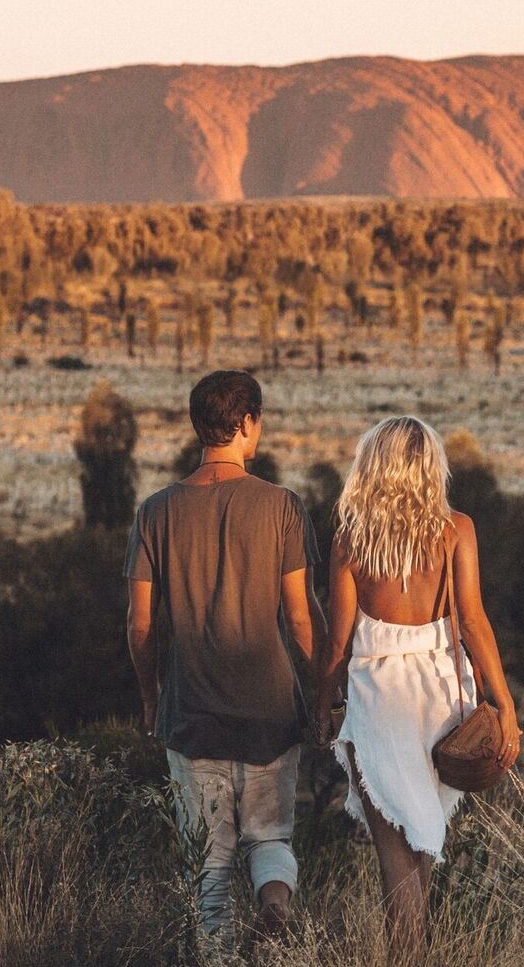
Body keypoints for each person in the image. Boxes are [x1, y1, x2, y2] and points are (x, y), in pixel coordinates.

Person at [124, 369, 326, 951]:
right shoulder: (282, 507)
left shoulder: (154, 514)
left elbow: (139, 625)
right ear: (247, 424)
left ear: (198, 427)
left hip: (191, 716)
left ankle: (219, 958)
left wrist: (149, 696)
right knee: (270, 839)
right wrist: (323, 697)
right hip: (270, 714)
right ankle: (275, 906)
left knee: (209, 866)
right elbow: (301, 617)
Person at [313, 415, 520, 960]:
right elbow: (473, 622)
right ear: (430, 466)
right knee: (423, 836)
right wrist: (505, 703)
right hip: (439, 699)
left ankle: (405, 958)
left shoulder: (349, 539)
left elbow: (335, 644)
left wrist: (321, 705)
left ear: (372, 467)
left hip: (378, 702)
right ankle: (415, 954)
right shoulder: (457, 529)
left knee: (392, 852)